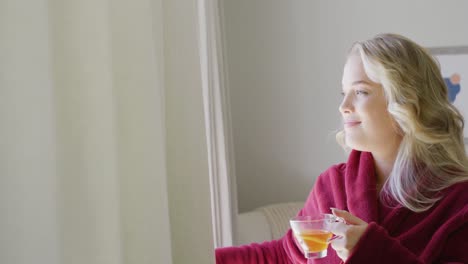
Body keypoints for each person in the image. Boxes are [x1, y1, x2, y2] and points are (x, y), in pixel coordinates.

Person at [215, 33, 468, 263]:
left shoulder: (459, 202)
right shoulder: (332, 185)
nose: (344, 106)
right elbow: (285, 255)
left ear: (406, 101)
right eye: (344, 92)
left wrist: (372, 252)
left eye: (360, 91)